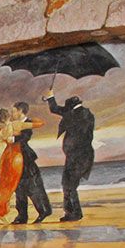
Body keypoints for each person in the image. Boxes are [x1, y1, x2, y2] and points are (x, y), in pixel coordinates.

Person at [0, 108, 42, 226]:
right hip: (16, 158)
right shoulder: (16, 125)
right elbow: (40, 124)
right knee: (9, 186)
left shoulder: (2, 131)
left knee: (2, 184)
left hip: (6, 158)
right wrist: (26, 120)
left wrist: (1, 135)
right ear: (8, 116)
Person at [44, 90, 96, 222]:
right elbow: (57, 110)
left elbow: (56, 109)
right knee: (68, 184)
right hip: (80, 156)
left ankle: (74, 213)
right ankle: (71, 213)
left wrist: (50, 97)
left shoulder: (75, 115)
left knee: (69, 185)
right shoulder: (85, 114)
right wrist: (50, 97)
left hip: (78, 157)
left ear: (71, 107)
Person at [10, 102, 52, 224]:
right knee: (19, 187)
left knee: (33, 185)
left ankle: (44, 210)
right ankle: (22, 216)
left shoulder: (28, 123)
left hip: (26, 158)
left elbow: (24, 138)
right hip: (16, 158)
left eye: (14, 111)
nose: (12, 114)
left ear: (20, 111)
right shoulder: (15, 124)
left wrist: (12, 138)